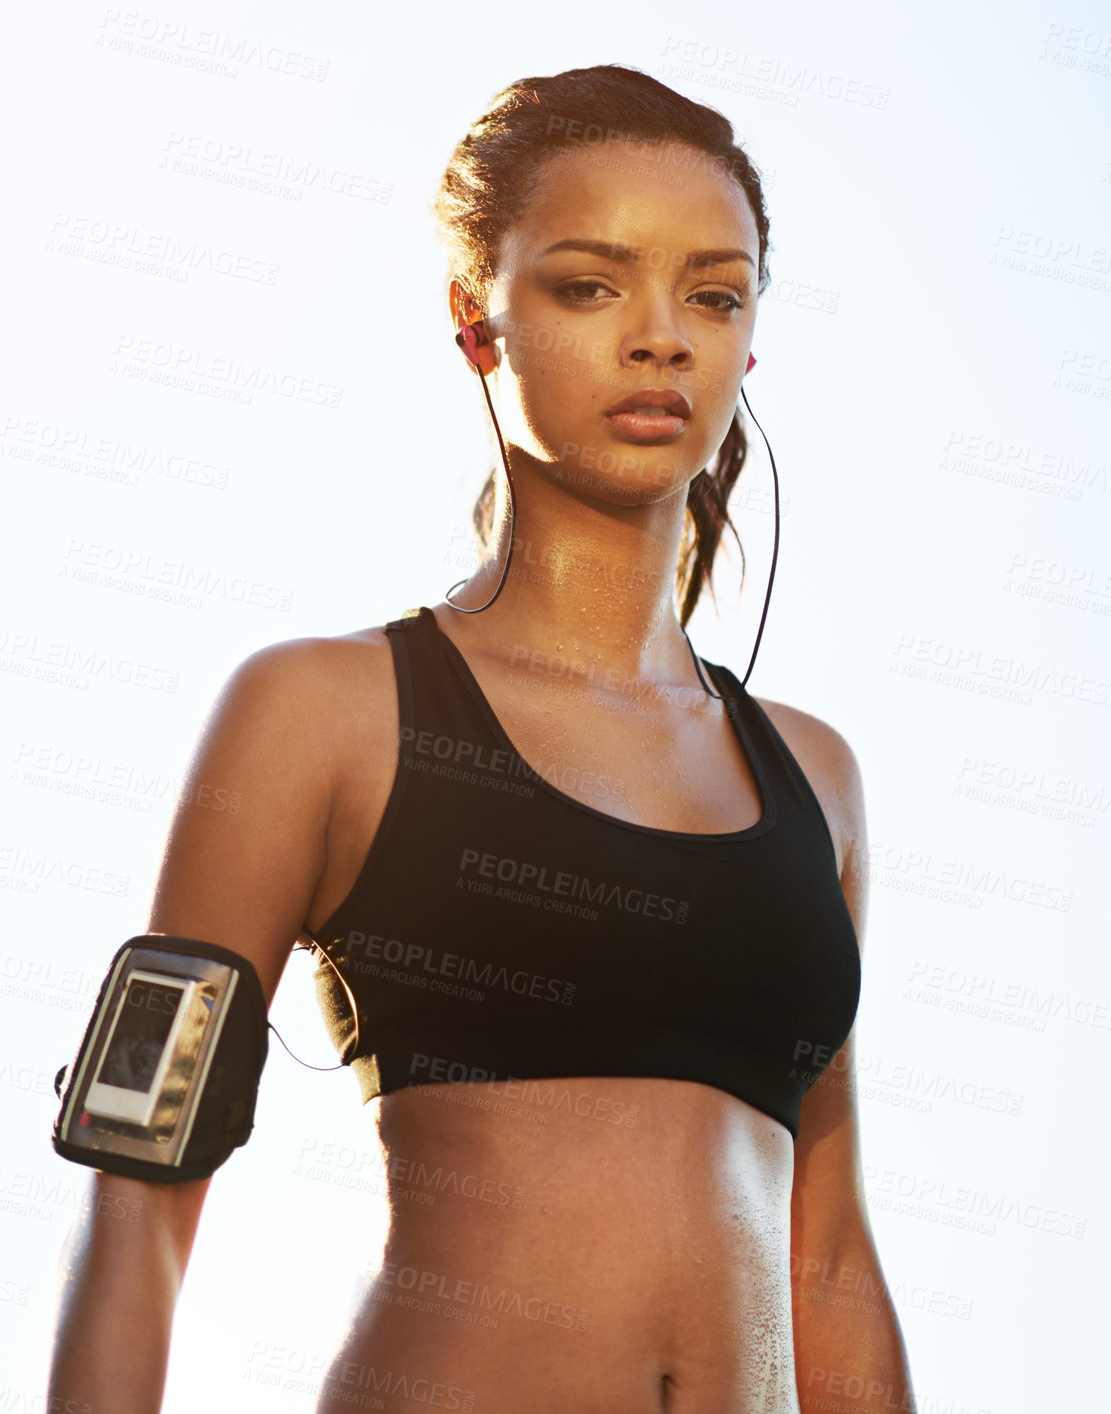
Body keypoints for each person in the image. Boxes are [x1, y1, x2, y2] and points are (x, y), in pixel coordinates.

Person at [46, 63, 916, 1414]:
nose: (659, 338)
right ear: (475, 320)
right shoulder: (323, 710)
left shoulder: (815, 776)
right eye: (587, 283)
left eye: (712, 292)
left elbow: (829, 1259)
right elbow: (140, 1188)